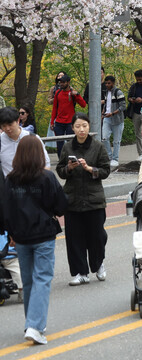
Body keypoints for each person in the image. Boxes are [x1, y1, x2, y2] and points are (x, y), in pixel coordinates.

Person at [0, 136, 68, 345]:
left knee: (29, 281)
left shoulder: (10, 179)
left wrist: (10, 233)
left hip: (20, 236)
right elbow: (61, 206)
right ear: (39, 153)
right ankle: (35, 326)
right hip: (43, 235)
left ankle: (32, 322)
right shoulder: (46, 177)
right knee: (42, 279)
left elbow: (5, 210)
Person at [55, 114, 110, 286]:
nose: (81, 129)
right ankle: (81, 272)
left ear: (89, 127)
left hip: (94, 200)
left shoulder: (98, 146)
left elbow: (105, 171)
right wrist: (69, 168)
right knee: (74, 239)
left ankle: (98, 264)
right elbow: (60, 170)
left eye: (84, 126)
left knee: (97, 236)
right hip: (73, 200)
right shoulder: (67, 147)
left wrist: (89, 168)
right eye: (78, 126)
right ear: (72, 128)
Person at [1, 106, 49, 177]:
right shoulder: (1, 141)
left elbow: (46, 164)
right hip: (8, 185)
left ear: (18, 121)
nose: (7, 129)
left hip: (31, 183)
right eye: (4, 126)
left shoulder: (33, 138)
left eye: (10, 125)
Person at [49, 74, 87, 157]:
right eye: (60, 82)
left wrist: (77, 95)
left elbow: (83, 104)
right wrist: (52, 122)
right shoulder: (58, 93)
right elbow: (54, 108)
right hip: (59, 122)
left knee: (71, 142)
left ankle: (72, 159)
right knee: (59, 143)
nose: (61, 84)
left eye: (63, 82)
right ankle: (61, 160)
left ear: (68, 82)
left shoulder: (73, 93)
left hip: (70, 122)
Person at [100, 75, 126, 169]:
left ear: (113, 83)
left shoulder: (118, 92)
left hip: (117, 119)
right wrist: (103, 114)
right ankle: (109, 156)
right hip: (107, 118)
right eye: (106, 83)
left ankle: (115, 159)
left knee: (116, 141)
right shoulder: (106, 92)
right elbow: (106, 104)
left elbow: (123, 106)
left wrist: (113, 113)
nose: (107, 85)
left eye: (109, 83)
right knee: (104, 137)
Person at [126, 70, 142, 156]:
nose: (138, 81)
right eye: (137, 80)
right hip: (136, 112)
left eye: (140, 79)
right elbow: (129, 97)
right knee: (138, 134)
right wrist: (132, 99)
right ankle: (140, 153)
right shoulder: (134, 86)